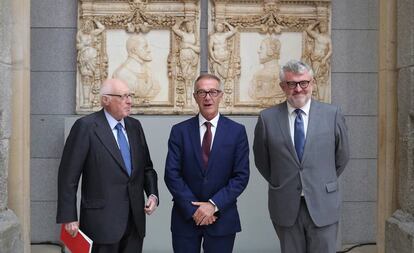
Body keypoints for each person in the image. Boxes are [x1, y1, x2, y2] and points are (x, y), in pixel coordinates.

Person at [253, 60, 349, 253]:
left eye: (303, 83)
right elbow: (262, 162)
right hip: (286, 204)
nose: (298, 89)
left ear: (312, 83)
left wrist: (320, 179)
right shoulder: (267, 118)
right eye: (292, 84)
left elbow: (342, 156)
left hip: (323, 203)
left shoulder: (332, 114)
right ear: (282, 86)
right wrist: (284, 181)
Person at [56, 79, 159, 253]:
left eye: (129, 96)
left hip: (135, 222)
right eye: (123, 96)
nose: (129, 101)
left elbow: (147, 168)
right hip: (100, 222)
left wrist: (153, 194)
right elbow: (68, 176)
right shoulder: (86, 127)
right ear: (106, 100)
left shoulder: (135, 126)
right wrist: (69, 217)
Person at [164, 74, 250, 253]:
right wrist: (193, 209)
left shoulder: (237, 132)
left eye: (213, 92)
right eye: (202, 92)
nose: (207, 97)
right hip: (185, 218)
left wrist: (212, 205)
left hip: (222, 217)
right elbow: (172, 174)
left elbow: (241, 176)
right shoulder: (179, 131)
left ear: (221, 95)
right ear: (195, 96)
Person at [113, 34, 160, 104]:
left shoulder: (148, 71)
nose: (149, 50)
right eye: (145, 47)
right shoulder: (122, 74)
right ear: (134, 50)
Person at [76, 19, 105, 107]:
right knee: (86, 77)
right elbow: (78, 45)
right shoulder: (80, 34)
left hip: (92, 56)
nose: (87, 26)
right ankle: (86, 101)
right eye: (86, 23)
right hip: (84, 57)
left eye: (89, 24)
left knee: (90, 77)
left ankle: (87, 101)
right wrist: (84, 45)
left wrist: (95, 20)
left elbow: (102, 28)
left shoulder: (92, 33)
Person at [248, 36, 284, 106]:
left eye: (261, 48)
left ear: (270, 51)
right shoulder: (258, 74)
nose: (258, 51)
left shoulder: (280, 75)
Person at [172, 19, 200, 106]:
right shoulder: (184, 34)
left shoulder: (195, 36)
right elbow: (174, 28)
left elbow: (198, 49)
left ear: (193, 26)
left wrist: (188, 45)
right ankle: (187, 101)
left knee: (190, 78)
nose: (188, 27)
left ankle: (189, 101)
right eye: (187, 26)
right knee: (186, 77)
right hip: (184, 57)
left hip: (192, 58)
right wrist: (181, 21)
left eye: (190, 25)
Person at [304, 20, 332, 101]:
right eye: (321, 27)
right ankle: (316, 96)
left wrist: (324, 59)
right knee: (316, 76)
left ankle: (321, 98)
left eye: (324, 26)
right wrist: (317, 22)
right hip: (315, 58)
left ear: (326, 28)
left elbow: (330, 50)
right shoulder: (317, 36)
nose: (322, 28)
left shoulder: (328, 39)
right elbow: (308, 29)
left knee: (320, 78)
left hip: (322, 59)